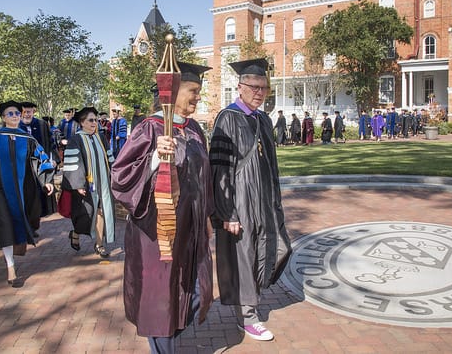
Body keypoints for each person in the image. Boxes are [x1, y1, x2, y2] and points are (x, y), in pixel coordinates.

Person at [112, 62, 214, 353]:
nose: (198, 98)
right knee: (160, 296)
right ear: (173, 91)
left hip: (191, 227)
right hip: (157, 230)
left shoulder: (194, 129)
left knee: (193, 290)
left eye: (199, 92)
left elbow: (202, 177)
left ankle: (167, 337)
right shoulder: (149, 128)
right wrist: (155, 157)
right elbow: (120, 176)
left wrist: (206, 216)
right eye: (193, 91)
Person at [209, 58, 291, 342]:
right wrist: (227, 212)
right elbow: (219, 169)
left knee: (276, 248)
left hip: (264, 201)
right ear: (240, 87)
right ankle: (249, 316)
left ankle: (251, 302)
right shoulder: (227, 118)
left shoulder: (264, 120)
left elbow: (271, 166)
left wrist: (275, 201)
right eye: (254, 87)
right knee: (244, 256)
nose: (259, 92)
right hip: (240, 201)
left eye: (264, 88)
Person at [0, 100, 55, 287]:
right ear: (3, 117)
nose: (15, 116)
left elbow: (42, 159)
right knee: (5, 225)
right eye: (10, 114)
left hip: (24, 190)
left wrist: (47, 181)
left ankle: (13, 258)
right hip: (0, 190)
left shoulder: (28, 139)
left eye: (17, 113)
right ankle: (10, 266)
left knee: (20, 223)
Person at [61, 107, 115, 258]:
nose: (94, 123)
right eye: (91, 120)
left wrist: (115, 175)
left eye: (96, 120)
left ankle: (99, 245)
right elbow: (73, 163)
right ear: (82, 122)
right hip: (85, 185)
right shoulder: (76, 140)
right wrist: (78, 184)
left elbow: (110, 158)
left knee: (101, 211)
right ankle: (76, 233)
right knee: (85, 215)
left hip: (102, 182)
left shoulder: (101, 138)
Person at [20, 101, 58, 232]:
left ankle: (33, 225)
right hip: (23, 170)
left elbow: (51, 144)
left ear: (33, 112)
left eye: (29, 111)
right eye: (24, 112)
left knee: (38, 198)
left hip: (40, 169)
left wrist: (53, 160)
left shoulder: (42, 125)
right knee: (25, 198)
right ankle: (27, 227)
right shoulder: (15, 126)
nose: (26, 114)